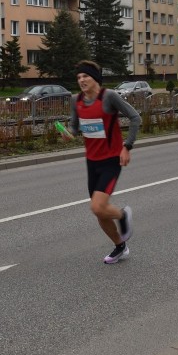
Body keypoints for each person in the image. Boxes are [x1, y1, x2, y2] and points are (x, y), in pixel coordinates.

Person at [67, 60, 142, 263]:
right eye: (79, 77)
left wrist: (127, 146)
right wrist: (69, 133)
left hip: (111, 160)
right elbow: (75, 127)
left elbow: (135, 118)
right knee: (100, 213)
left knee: (98, 207)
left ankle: (123, 215)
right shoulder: (76, 100)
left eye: (86, 76)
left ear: (95, 79)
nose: (81, 80)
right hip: (91, 162)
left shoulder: (109, 97)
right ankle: (120, 246)